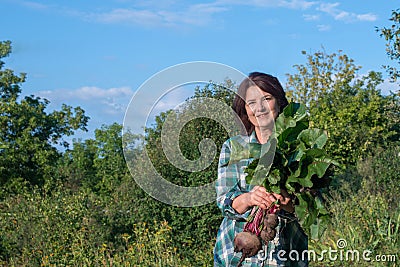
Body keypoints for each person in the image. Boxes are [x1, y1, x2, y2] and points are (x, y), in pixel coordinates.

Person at [214, 72, 308, 266]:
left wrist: (287, 203)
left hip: (284, 255)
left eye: (267, 99)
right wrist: (250, 198)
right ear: (244, 109)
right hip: (233, 256)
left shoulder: (300, 149)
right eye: (252, 103)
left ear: (279, 102)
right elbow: (224, 201)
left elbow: (313, 208)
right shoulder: (233, 148)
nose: (260, 108)